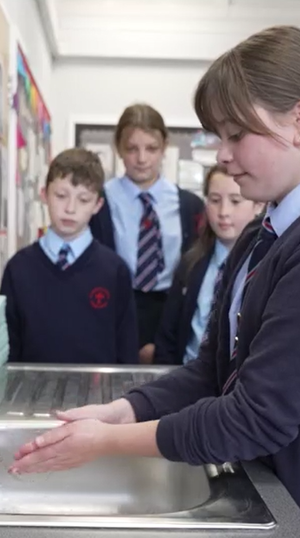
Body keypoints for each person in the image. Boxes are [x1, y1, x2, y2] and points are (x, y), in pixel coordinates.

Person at [8, 26, 300, 538]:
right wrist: (121, 411)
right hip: (295, 499)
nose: (221, 154)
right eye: (218, 136)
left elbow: (254, 417)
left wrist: (105, 443)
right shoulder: (266, 231)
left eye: (236, 135)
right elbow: (215, 372)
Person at [0, 148, 138, 365]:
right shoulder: (18, 268)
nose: (70, 209)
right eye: (61, 196)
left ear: (97, 205)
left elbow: (127, 352)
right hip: (29, 395)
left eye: (83, 199)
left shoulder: (114, 270)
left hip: (99, 396)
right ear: (44, 194)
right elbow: (7, 350)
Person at [89, 104, 205, 363]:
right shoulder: (99, 203)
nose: (142, 159)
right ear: (118, 148)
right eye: (132, 149)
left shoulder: (190, 206)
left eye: (151, 148)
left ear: (164, 146)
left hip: (170, 310)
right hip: (115, 308)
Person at [153, 167, 262, 365]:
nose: (223, 212)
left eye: (235, 201)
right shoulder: (191, 263)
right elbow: (167, 337)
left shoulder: (264, 268)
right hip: (185, 379)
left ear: (258, 205)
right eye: (214, 200)